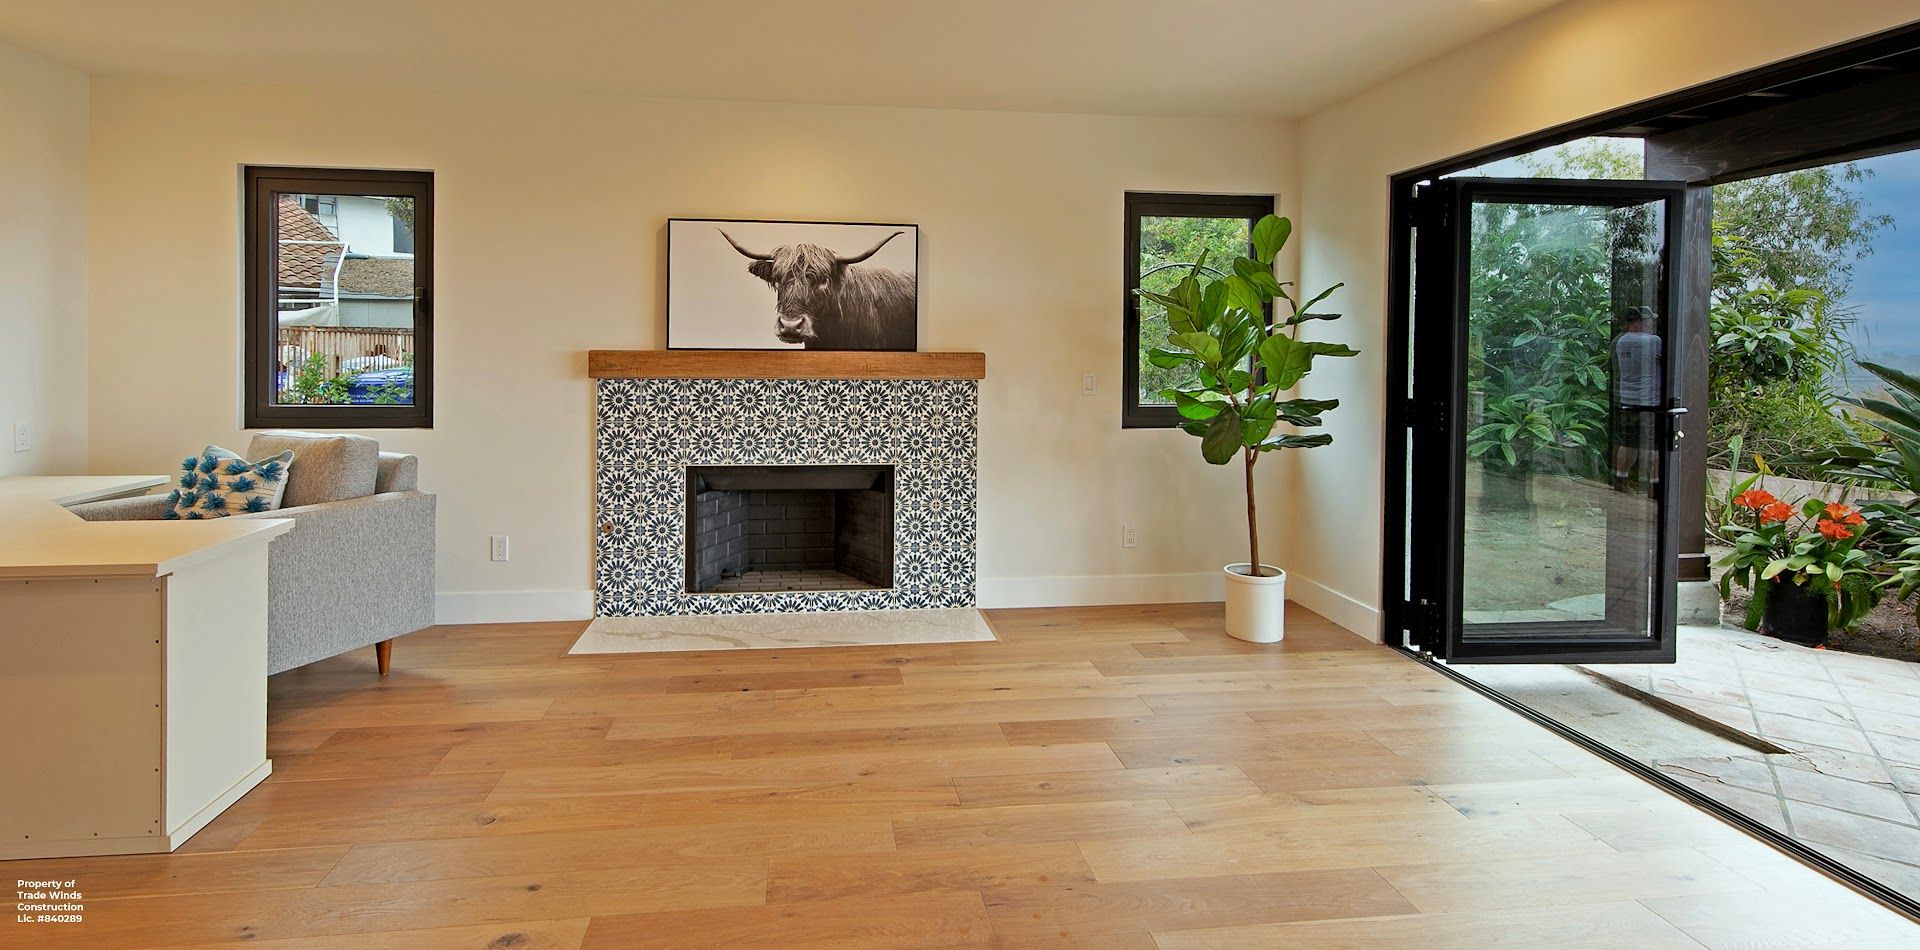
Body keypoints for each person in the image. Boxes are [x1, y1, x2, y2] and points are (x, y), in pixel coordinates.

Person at [1611, 306, 1663, 489]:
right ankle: (1654, 483)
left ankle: (1621, 478)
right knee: (1652, 444)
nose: (1651, 324)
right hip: (1649, 402)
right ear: (1640, 322)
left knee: (1628, 441)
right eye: (1649, 321)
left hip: (1627, 400)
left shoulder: (1619, 341)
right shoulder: (1653, 341)